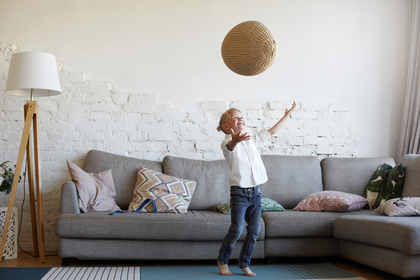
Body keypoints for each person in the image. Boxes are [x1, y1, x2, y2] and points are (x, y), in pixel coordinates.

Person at [216, 101, 296, 277]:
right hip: (239, 193)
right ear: (226, 126)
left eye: (242, 117)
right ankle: (223, 261)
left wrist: (286, 115)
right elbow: (231, 147)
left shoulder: (251, 138)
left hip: (256, 192)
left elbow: (272, 131)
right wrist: (235, 139)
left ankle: (244, 263)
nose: (240, 119)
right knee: (236, 230)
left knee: (254, 231)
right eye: (235, 117)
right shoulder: (227, 142)